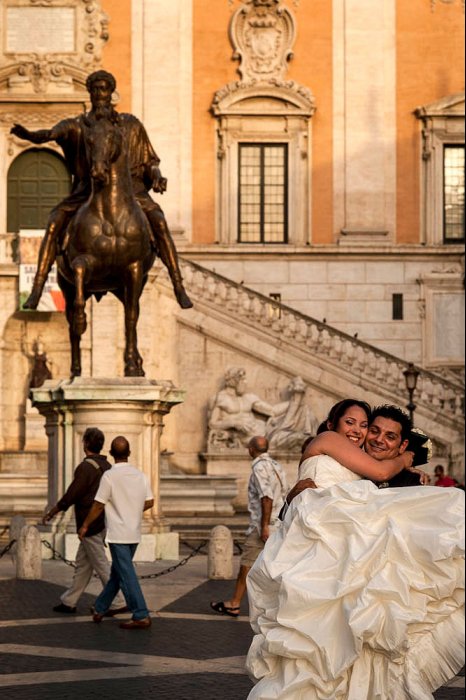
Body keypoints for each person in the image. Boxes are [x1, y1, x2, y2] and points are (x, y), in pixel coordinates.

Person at [246, 404, 465, 699]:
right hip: (326, 539)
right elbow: (378, 471)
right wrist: (407, 457)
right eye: (357, 424)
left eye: (364, 426)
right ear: (330, 423)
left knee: (348, 634)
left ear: (400, 442)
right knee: (319, 634)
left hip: (345, 549)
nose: (361, 432)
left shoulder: (379, 472)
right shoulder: (330, 442)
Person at [10, 70, 192, 311]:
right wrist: (30, 135)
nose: (100, 94)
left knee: (158, 221)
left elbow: (150, 161)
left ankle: (178, 284)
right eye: (95, 89)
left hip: (132, 193)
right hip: (87, 192)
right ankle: (37, 288)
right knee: (54, 222)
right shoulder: (78, 126)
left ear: (111, 93)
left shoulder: (131, 125)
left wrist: (157, 177)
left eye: (104, 89)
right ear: (90, 93)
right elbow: (51, 134)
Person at [42, 427, 126, 615]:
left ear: (86, 443)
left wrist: (53, 511)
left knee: (101, 564)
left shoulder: (86, 467)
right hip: (103, 521)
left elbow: (72, 494)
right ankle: (69, 601)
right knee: (83, 565)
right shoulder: (107, 467)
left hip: (90, 523)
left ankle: (119, 601)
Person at [78, 435, 154, 629]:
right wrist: (133, 509)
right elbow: (150, 501)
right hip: (134, 532)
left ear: (111, 454)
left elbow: (98, 505)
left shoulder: (109, 476)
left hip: (118, 533)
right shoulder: (140, 475)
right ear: (129, 453)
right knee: (118, 573)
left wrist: (85, 525)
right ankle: (100, 607)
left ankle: (141, 613)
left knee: (126, 575)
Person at [210, 435, 288, 618]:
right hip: (279, 522)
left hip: (264, 525)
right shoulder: (277, 466)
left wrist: (264, 526)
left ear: (251, 450)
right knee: (276, 566)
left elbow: (266, 497)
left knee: (246, 565)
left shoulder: (259, 467)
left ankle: (234, 603)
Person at [208, 367, 281, 449]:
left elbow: (272, 410)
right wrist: (234, 423)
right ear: (233, 382)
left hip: (261, 430)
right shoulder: (220, 399)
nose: (246, 383)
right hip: (244, 438)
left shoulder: (249, 397)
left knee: (285, 435)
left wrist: (294, 402)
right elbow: (212, 424)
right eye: (242, 380)